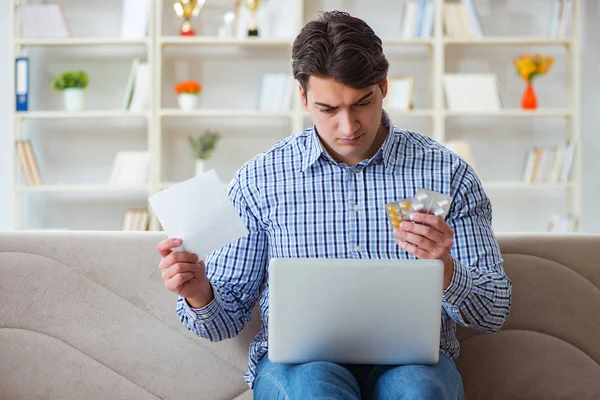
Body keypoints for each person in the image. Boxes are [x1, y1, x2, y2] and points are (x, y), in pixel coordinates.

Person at [157, 10, 512, 400]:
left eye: (362, 103)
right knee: (312, 389)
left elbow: (493, 312)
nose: (348, 127)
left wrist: (445, 269)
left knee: (420, 390)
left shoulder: (447, 174)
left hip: (413, 364)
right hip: (298, 366)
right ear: (304, 97)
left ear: (384, 86)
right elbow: (222, 321)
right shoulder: (261, 180)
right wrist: (199, 293)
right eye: (328, 109)